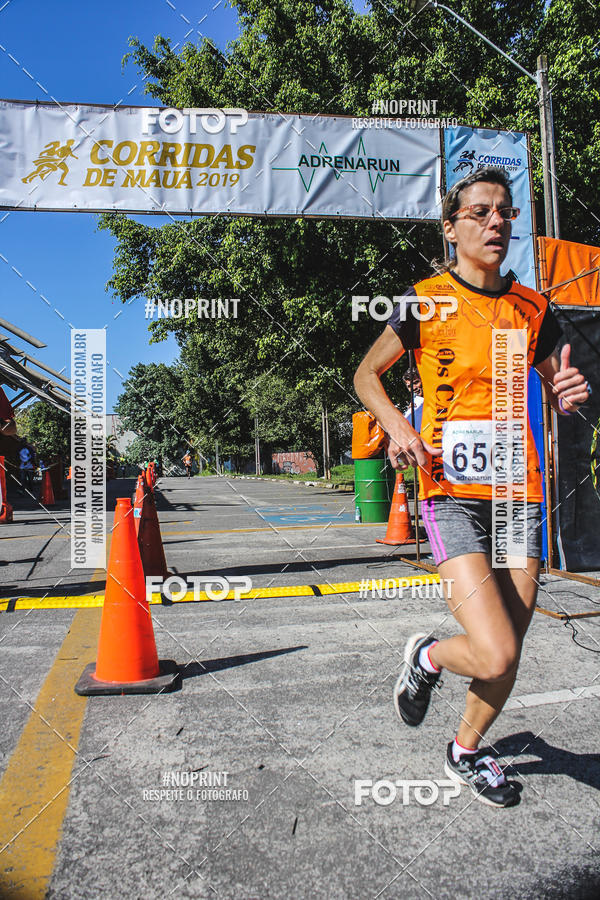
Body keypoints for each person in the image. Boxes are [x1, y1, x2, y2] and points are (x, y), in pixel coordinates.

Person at [354, 166, 591, 807]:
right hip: (450, 492)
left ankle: (466, 750)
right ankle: (428, 656)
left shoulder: (532, 308)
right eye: (480, 211)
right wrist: (398, 425)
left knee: (508, 653)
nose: (495, 222)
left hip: (519, 497)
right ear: (452, 227)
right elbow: (366, 375)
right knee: (491, 651)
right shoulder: (425, 299)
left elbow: (555, 381)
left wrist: (566, 392)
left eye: (505, 212)